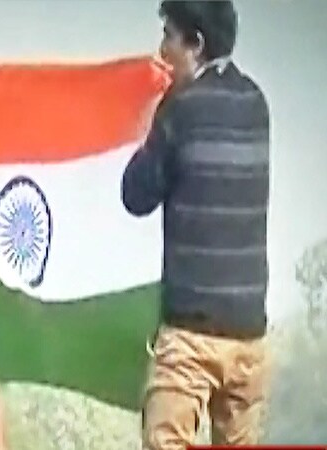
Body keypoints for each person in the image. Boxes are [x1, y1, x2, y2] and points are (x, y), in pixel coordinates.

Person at [120, 1, 270, 448]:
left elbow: (135, 195)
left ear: (196, 44)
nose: (161, 50)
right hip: (249, 335)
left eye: (169, 35)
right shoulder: (256, 103)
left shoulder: (180, 108)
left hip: (191, 334)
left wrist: (152, 120)